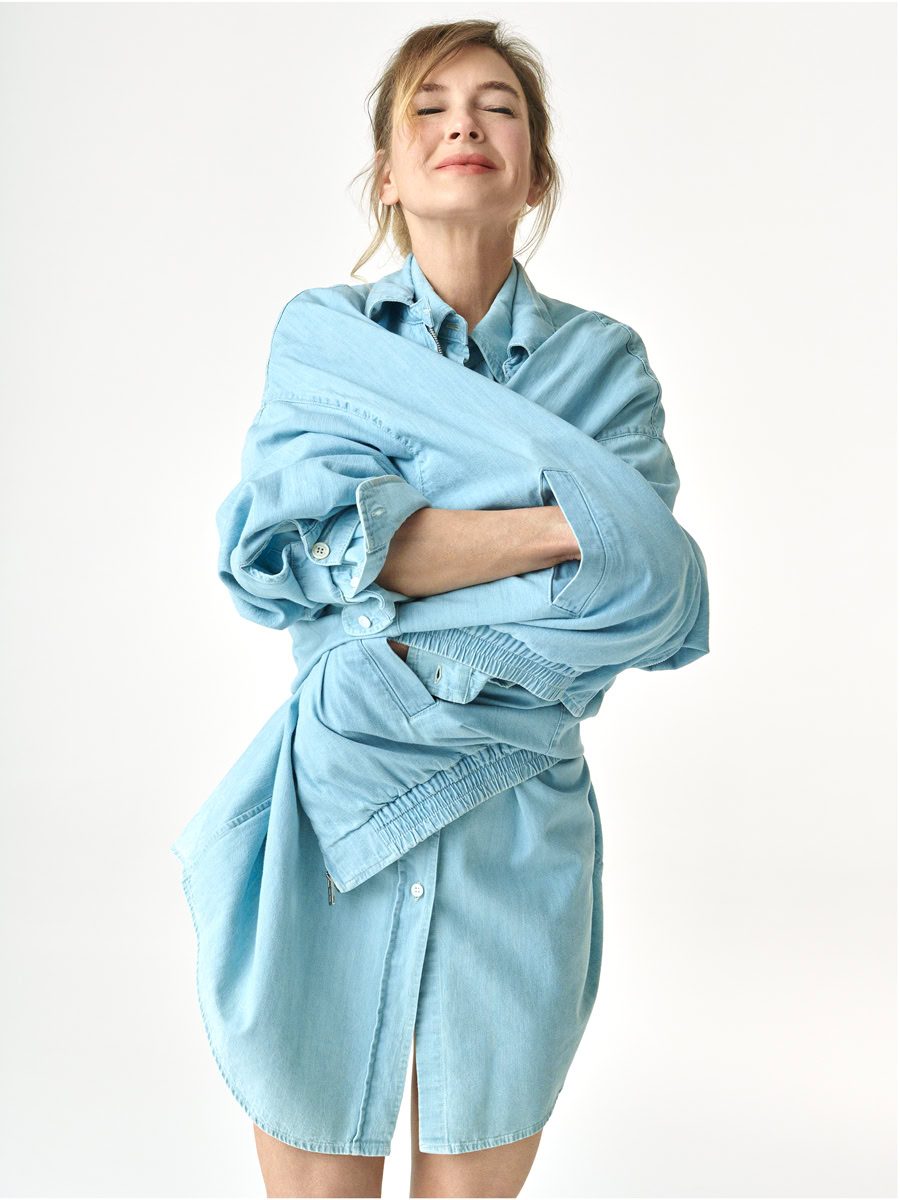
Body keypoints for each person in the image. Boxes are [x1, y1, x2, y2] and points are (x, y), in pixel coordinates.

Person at [173, 18, 708, 1199]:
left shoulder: (607, 368)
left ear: (538, 170)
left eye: (498, 106)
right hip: (332, 811)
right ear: (387, 172)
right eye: (428, 106)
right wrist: (568, 523)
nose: (463, 121)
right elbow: (286, 558)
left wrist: (395, 565)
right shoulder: (326, 339)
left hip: (524, 825)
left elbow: (641, 601)